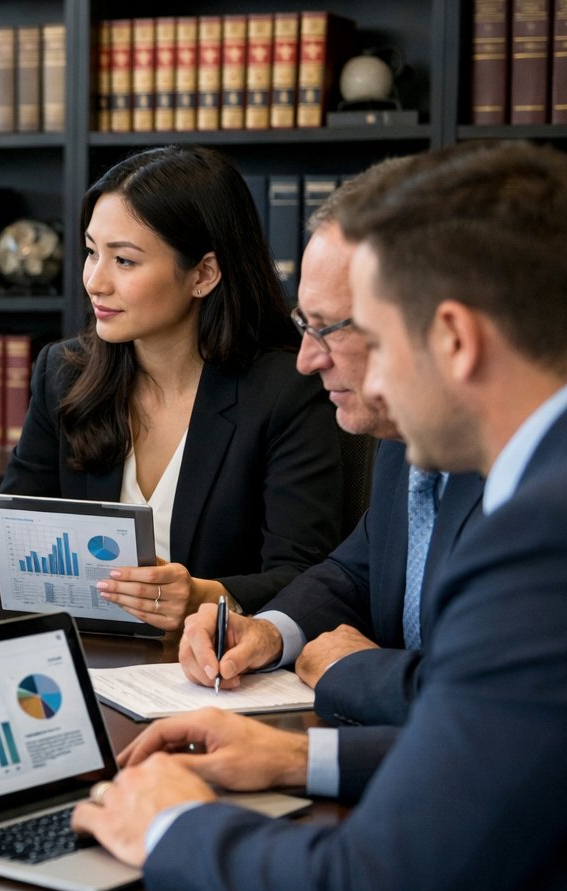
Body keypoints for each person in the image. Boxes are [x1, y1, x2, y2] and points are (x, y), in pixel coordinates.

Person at [73, 141, 567, 891]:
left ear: (453, 337)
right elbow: (523, 745)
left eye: (360, 332)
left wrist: (169, 825)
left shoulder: (543, 534)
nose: (311, 362)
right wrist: (304, 755)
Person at [176, 159, 484, 726]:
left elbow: (493, 714)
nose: (305, 359)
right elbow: (356, 571)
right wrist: (269, 630)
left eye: (329, 329)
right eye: (303, 325)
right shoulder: (398, 433)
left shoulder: (534, 481)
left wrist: (354, 675)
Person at [0, 146, 342, 632]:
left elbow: (307, 575)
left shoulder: (285, 391)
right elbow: (16, 525)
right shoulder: (63, 373)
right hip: (81, 653)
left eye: (124, 260)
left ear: (203, 273)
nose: (95, 282)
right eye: (92, 252)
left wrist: (206, 596)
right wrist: (4, 562)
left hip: (214, 671)